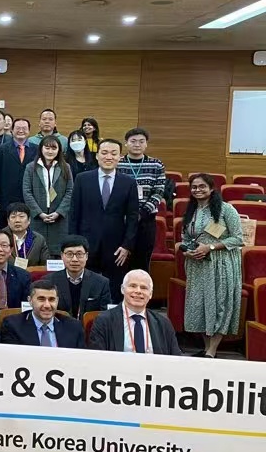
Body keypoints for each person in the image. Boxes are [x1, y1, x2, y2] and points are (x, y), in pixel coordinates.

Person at [182, 173, 244, 357]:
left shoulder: (226, 209)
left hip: (221, 265)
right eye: (194, 187)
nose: (198, 190)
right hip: (197, 265)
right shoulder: (191, 211)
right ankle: (206, 348)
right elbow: (185, 238)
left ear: (211, 189)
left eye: (202, 186)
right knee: (200, 305)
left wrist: (210, 247)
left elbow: (238, 238)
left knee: (219, 305)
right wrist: (187, 251)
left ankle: (211, 351)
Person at [68, 139, 138, 302]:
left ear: (119, 157)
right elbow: (74, 213)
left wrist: (127, 246)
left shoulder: (128, 182)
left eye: (114, 153)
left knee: (114, 290)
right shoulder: (82, 179)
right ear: (97, 155)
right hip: (86, 243)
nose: (109, 157)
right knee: (85, 289)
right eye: (104, 153)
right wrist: (74, 244)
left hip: (116, 247)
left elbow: (133, 217)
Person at [89, 270, 180, 354]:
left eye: (144, 288)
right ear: (122, 289)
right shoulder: (104, 321)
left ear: (151, 294)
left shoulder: (163, 323)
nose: (138, 291)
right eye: (133, 286)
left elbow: (176, 359)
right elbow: (98, 359)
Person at [116, 128, 167, 274]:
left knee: (142, 262)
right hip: (121, 219)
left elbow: (158, 192)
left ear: (146, 144)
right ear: (126, 143)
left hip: (146, 220)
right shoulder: (118, 163)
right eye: (133, 141)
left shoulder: (156, 164)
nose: (137, 144)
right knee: (119, 261)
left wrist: (141, 213)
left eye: (141, 141)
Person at [22, 134, 72, 256]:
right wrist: (39, 213)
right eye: (47, 148)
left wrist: (59, 212)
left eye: (54, 148)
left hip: (59, 218)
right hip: (37, 217)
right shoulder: (31, 167)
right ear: (41, 149)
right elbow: (27, 191)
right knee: (36, 252)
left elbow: (70, 191)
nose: (50, 151)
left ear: (59, 150)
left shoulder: (66, 167)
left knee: (58, 253)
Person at [0, 279, 85, 348]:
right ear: (30, 301)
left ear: (57, 301)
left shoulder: (74, 327)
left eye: (51, 299)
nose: (47, 305)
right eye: (41, 299)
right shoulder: (13, 325)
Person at [45, 235, 112, 319]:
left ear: (86, 256)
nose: (74, 259)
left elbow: (105, 316)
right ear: (62, 256)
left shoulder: (101, 283)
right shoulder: (49, 281)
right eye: (69, 254)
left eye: (79, 254)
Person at [0, 117, 37, 223]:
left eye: (24, 128)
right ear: (12, 130)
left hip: (30, 198)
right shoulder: (0, 150)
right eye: (18, 128)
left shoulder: (37, 150)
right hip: (6, 198)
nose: (21, 131)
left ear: (29, 131)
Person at [4, 202, 49, 267]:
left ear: (29, 220)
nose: (17, 220)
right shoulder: (0, 238)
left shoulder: (39, 239)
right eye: (13, 217)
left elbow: (45, 265)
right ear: (8, 221)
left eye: (21, 217)